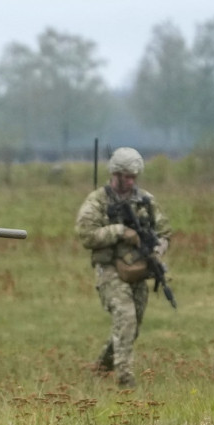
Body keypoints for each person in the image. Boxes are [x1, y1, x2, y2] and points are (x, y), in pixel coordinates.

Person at [74, 147, 172, 388]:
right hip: (109, 269)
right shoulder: (97, 200)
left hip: (138, 268)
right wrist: (119, 232)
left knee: (133, 324)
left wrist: (158, 249)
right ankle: (126, 381)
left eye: (133, 177)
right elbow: (85, 234)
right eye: (125, 176)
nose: (130, 182)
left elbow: (165, 231)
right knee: (125, 317)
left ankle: (101, 367)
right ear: (114, 174)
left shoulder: (145, 201)